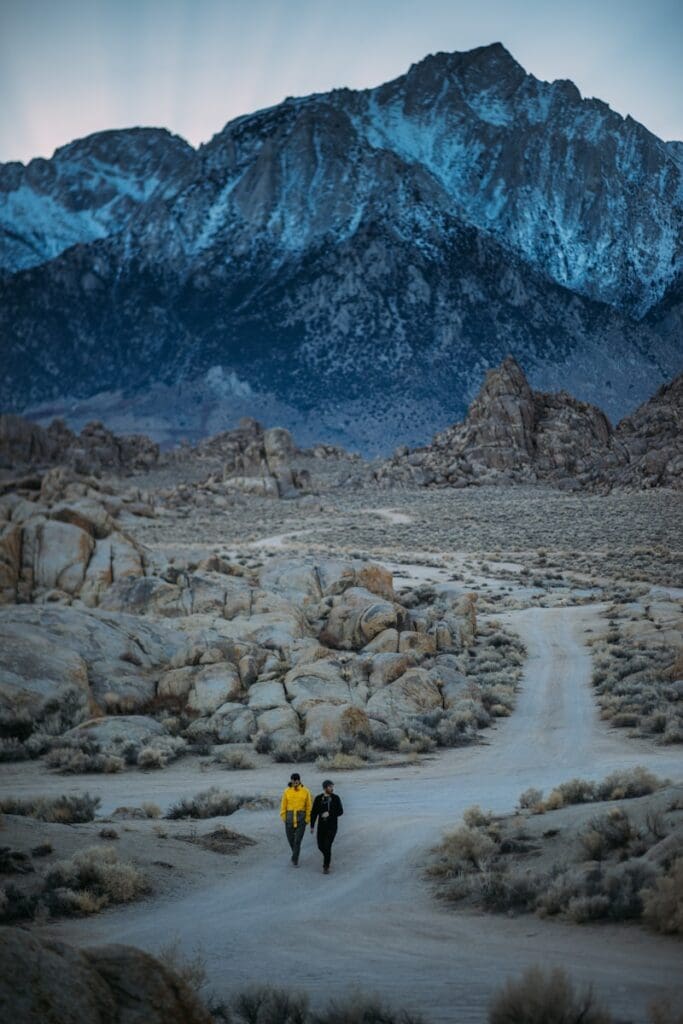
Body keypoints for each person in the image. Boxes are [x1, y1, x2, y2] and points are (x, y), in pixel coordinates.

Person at [310, 779, 343, 874]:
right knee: (320, 846)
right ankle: (327, 856)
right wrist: (312, 826)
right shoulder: (318, 798)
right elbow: (314, 813)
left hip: (332, 826)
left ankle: (326, 866)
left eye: (332, 787)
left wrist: (329, 813)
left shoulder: (336, 798)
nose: (332, 788)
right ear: (325, 788)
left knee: (327, 845)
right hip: (321, 827)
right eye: (330, 787)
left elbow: (340, 811)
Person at [279, 772, 312, 866]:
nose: (295, 783)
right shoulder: (287, 791)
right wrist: (284, 817)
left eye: (297, 781)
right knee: (290, 839)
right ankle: (295, 853)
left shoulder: (306, 791)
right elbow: (283, 806)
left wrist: (307, 819)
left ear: (299, 780)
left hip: (301, 817)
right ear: (291, 781)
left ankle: (295, 859)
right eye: (294, 781)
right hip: (289, 817)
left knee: (298, 840)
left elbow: (309, 806)